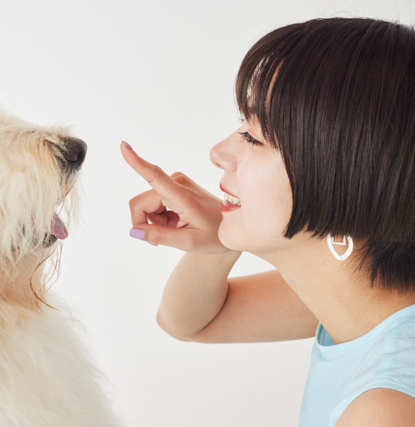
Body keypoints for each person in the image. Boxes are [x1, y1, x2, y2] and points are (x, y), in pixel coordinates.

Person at [121, 17, 415, 427]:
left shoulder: (385, 410)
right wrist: (224, 238)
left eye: (254, 137)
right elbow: (187, 322)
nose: (218, 152)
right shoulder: (367, 300)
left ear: (343, 177)